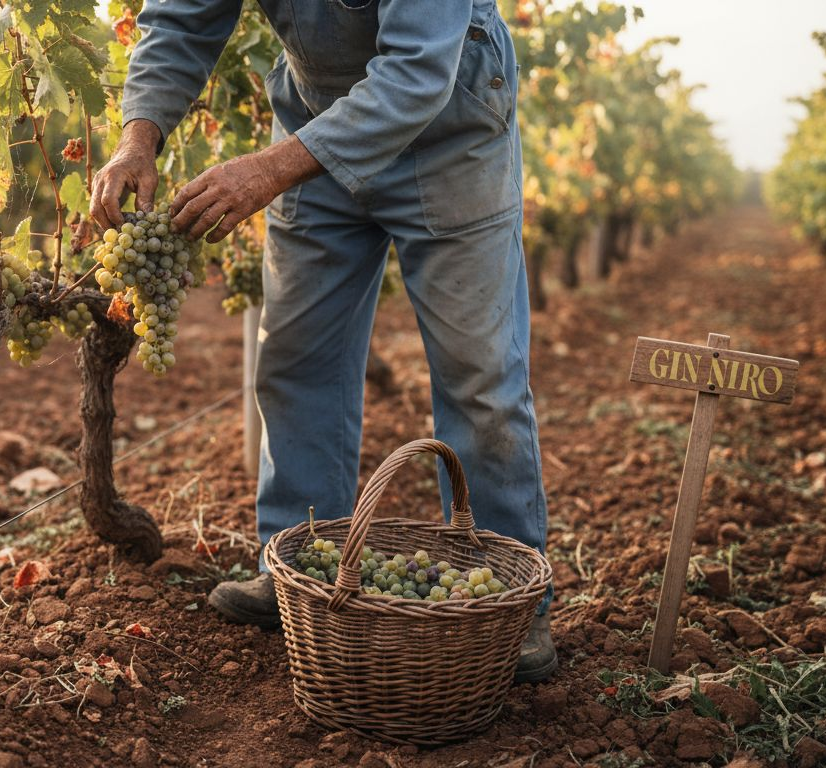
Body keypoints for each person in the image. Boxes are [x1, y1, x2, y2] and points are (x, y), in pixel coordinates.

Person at [90, 0, 555, 682]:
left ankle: (508, 598)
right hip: (315, 124)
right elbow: (184, 16)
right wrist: (139, 137)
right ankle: (299, 572)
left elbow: (418, 71)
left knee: (479, 376)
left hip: (450, 129)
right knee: (295, 361)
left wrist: (269, 169)